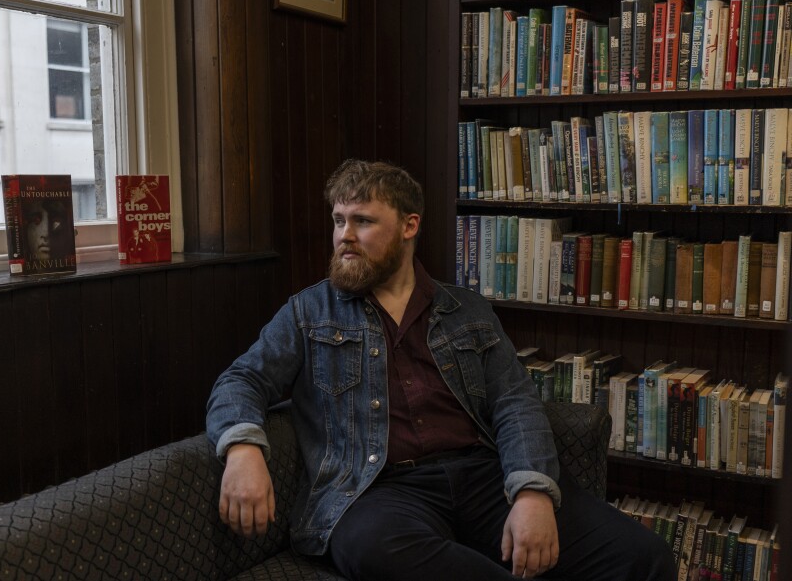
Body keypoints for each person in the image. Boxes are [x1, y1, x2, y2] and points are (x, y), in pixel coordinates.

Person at [206, 159, 675, 580]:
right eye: (338, 220)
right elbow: (241, 379)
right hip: (375, 490)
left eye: (363, 221)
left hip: (480, 477)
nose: (343, 235)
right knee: (374, 549)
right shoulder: (309, 312)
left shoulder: (466, 309)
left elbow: (515, 403)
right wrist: (243, 447)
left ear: (410, 226)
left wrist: (533, 494)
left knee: (643, 557)